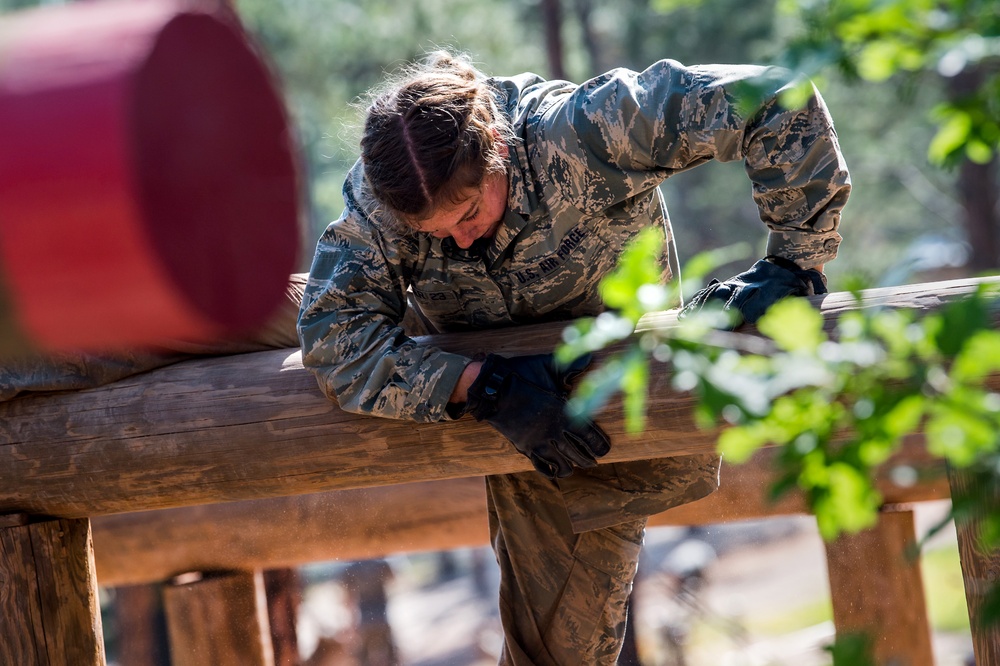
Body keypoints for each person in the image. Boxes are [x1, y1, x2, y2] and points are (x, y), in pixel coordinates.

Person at [297, 51, 849, 665]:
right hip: (454, 348)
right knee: (236, 317)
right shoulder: (384, 204)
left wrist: (795, 260)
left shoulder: (586, 130)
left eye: (469, 213)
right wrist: (483, 388)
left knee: (560, 653)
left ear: (497, 152)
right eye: (434, 232)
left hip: (585, 396)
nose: (457, 238)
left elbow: (774, 98)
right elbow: (331, 340)